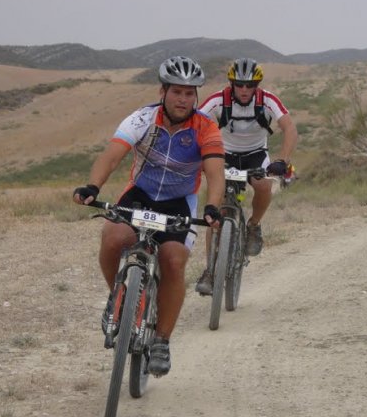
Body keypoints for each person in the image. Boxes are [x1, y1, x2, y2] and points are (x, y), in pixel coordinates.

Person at [73, 56, 225, 376]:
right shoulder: (142, 118)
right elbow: (112, 155)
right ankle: (118, 297)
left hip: (178, 203)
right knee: (113, 238)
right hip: (141, 194)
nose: (183, 99)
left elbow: (214, 172)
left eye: (189, 93)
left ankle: (161, 341)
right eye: (177, 92)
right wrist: (92, 186)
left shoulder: (206, 127)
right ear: (163, 92)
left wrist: (212, 206)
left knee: (173, 261)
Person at [195, 58, 298, 295]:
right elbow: (194, 124)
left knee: (263, 186)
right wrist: (197, 157)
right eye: (239, 84)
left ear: (257, 85)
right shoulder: (218, 100)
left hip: (255, 153)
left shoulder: (268, 100)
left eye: (249, 85)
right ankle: (210, 271)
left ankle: (253, 225)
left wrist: (282, 160)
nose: (244, 89)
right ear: (231, 83)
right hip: (224, 153)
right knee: (216, 210)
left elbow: (290, 128)